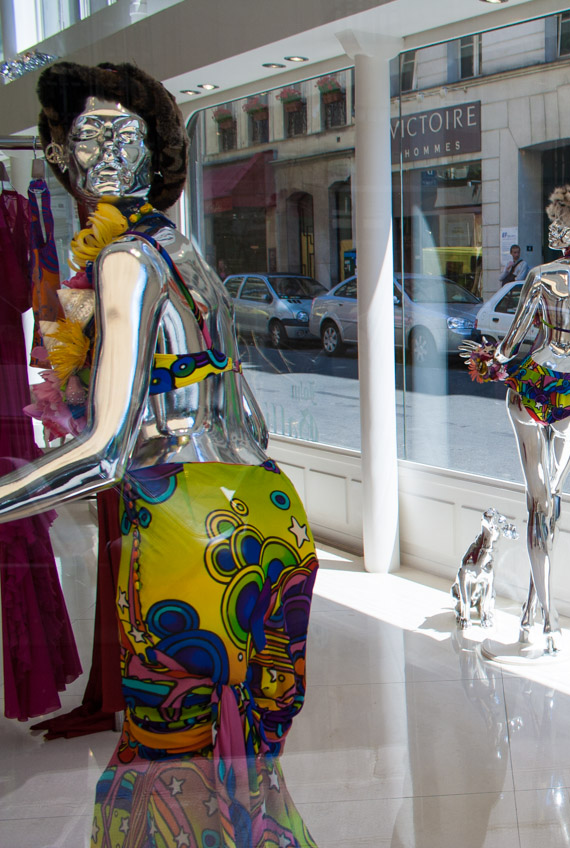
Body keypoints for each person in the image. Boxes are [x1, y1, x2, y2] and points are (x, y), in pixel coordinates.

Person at [0, 61, 317, 847]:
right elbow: (252, 416)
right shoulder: (185, 251)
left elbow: (105, 452)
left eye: (122, 134)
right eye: (87, 136)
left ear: (154, 149)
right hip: (267, 515)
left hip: (180, 527)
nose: (104, 151)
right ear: (62, 157)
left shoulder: (123, 260)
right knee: (244, 770)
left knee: (171, 770)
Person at [463, 184, 570, 656]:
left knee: (541, 503)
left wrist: (488, 359)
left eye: (562, 219)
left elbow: (509, 343)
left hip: (534, 387)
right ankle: (538, 619)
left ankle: (542, 619)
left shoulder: (541, 276)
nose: (555, 227)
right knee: (549, 502)